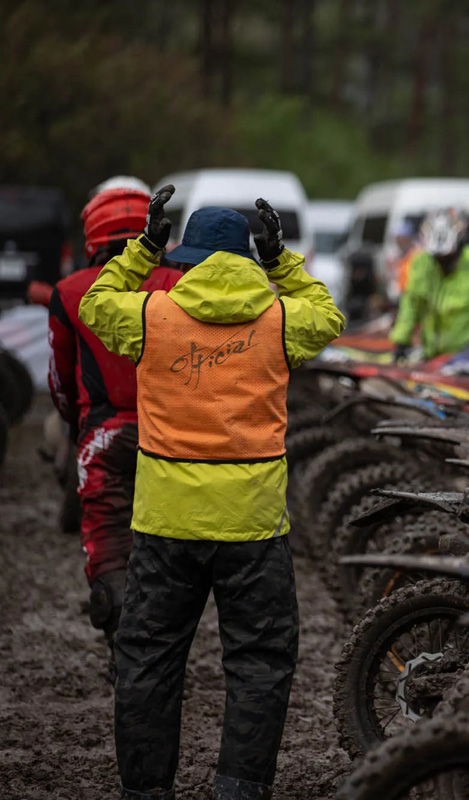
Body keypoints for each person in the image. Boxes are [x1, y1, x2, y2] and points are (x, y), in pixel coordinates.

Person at [79, 186, 345, 800]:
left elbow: (95, 302)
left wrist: (143, 250)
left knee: (147, 660)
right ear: (250, 259)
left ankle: (147, 791)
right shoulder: (279, 321)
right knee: (258, 663)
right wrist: (283, 262)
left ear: (186, 259)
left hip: (164, 523)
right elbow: (328, 313)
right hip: (253, 528)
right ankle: (239, 788)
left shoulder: (151, 315)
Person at [42, 177, 183, 668]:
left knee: (106, 550)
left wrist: (75, 427)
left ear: (93, 234)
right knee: (165, 548)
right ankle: (160, 655)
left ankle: (122, 653)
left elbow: (60, 379)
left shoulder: (70, 291)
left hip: (102, 437)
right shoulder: (178, 284)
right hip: (170, 436)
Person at [388, 207, 469, 361]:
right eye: (437, 258)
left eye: (448, 256)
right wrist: (401, 341)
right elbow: (410, 306)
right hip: (432, 353)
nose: (442, 262)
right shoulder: (421, 263)